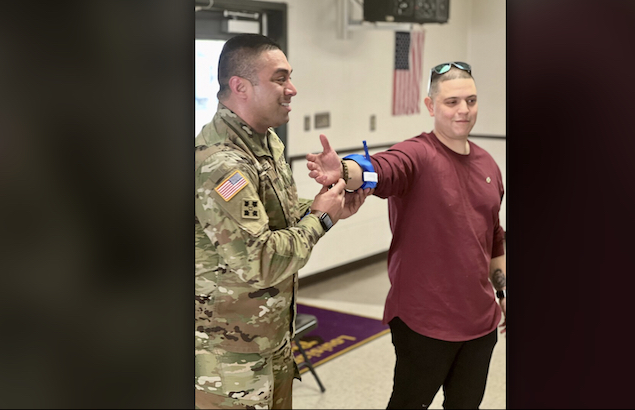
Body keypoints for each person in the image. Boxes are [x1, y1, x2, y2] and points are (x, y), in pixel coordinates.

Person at [306, 61, 506, 409]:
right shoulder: (418, 154)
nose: (464, 110)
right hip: (424, 323)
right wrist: (345, 170)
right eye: (452, 102)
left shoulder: (489, 164)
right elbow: (380, 170)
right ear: (430, 106)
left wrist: (502, 290)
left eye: (471, 101)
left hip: (480, 325)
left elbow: (493, 237)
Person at [194, 34, 371, 409]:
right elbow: (261, 260)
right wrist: (321, 218)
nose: (292, 89)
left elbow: (276, 216)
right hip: (228, 363)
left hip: (270, 342)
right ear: (240, 87)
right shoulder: (220, 164)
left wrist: (328, 208)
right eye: (279, 78)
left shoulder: (265, 141)